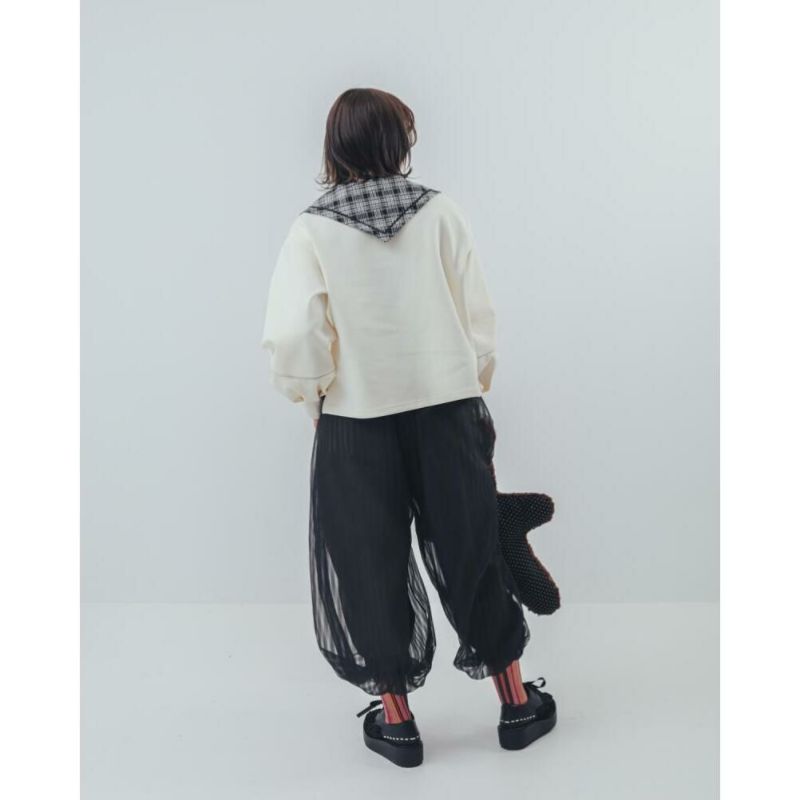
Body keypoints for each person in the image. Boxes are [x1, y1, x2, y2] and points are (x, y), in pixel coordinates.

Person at [262, 88, 556, 767]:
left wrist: (317, 396)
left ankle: (397, 724)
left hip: (355, 424)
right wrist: (465, 381)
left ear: (335, 147)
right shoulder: (440, 213)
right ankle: (516, 706)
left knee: (368, 563)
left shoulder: (311, 231)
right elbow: (477, 317)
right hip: (447, 413)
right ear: (399, 142)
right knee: (473, 548)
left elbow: (294, 336)